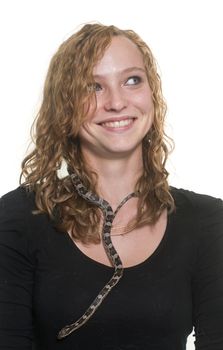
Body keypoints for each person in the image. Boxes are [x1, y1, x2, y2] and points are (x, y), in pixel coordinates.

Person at [0, 23, 223, 350]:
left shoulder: (209, 222)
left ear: (152, 93)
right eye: (93, 87)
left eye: (132, 80)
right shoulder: (18, 218)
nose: (117, 103)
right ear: (65, 105)